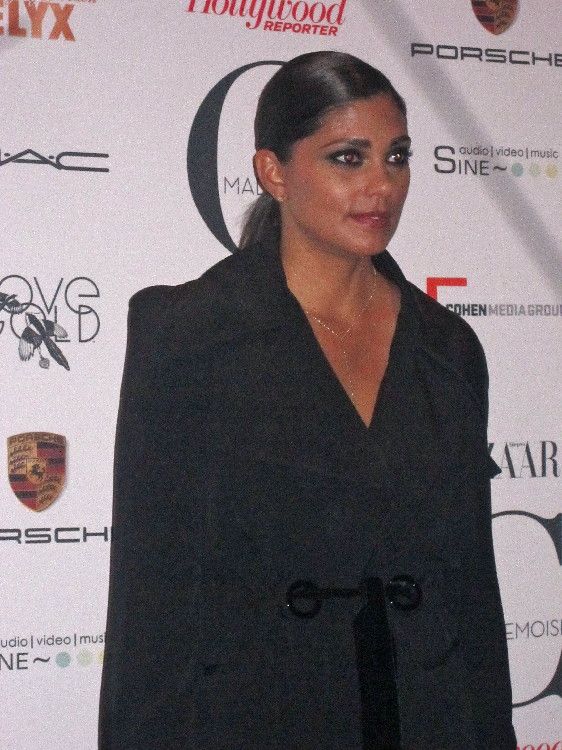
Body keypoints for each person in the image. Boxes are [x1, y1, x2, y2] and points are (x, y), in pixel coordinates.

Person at [99, 51, 516, 749]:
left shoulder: (447, 348)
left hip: (431, 716)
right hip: (262, 719)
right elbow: (152, 601)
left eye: (397, 156)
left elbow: (473, 586)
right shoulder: (187, 333)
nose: (381, 185)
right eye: (348, 158)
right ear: (274, 172)